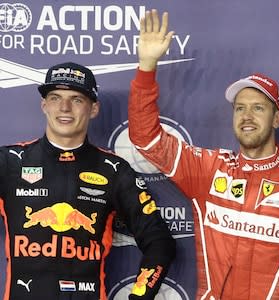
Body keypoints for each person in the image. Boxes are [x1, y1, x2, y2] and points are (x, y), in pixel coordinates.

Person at [128, 9, 279, 300]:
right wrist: (147, 67)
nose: (247, 116)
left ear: (277, 118)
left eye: (258, 107)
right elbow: (145, 138)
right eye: (240, 108)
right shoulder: (208, 169)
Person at [0, 61, 176, 300]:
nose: (64, 107)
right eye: (55, 98)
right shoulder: (10, 162)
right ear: (44, 105)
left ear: (93, 109)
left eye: (77, 99)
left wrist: (140, 296)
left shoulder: (113, 170)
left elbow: (160, 242)